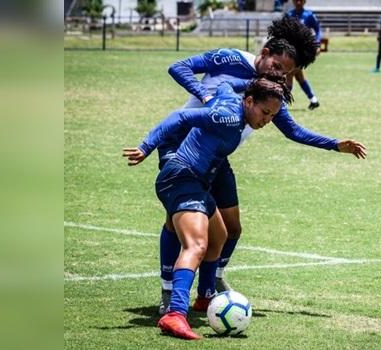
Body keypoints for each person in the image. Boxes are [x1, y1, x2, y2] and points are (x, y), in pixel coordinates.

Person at [157, 17, 367, 316]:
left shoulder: (269, 90)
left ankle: (210, 287)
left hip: (217, 158)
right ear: (266, 52)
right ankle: (169, 294)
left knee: (231, 229)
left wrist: (334, 144)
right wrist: (204, 95)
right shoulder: (229, 59)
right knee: (176, 225)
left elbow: (293, 130)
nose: (281, 75)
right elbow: (179, 67)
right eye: (279, 67)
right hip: (183, 148)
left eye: (288, 72)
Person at [123, 76, 293, 340]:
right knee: (196, 245)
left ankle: (205, 298)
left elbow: (225, 85)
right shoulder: (227, 117)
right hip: (181, 178)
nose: (267, 120)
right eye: (265, 112)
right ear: (248, 101)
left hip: (197, 181)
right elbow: (180, 118)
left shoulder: (234, 101)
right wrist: (146, 147)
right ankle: (175, 314)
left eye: (272, 115)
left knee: (220, 236)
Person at [285, 0, 321, 110]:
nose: (299, 2)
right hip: (291, 50)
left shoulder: (309, 15)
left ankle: (284, 104)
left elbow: (318, 30)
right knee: (299, 76)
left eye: (301, 0)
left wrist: (317, 44)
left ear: (304, 1)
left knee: (289, 74)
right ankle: (313, 100)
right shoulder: (289, 15)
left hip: (303, 51)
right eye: (296, 0)